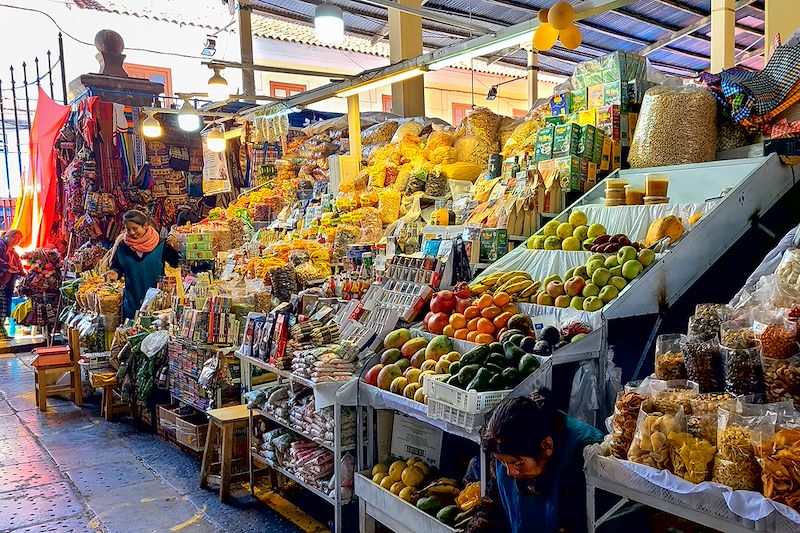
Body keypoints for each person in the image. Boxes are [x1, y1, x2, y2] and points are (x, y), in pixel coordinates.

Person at [465, 391, 602, 533]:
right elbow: (492, 510)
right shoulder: (503, 447)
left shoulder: (583, 457)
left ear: (547, 446)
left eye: (517, 463)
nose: (509, 472)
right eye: (503, 462)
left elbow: (574, 525)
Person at [109, 210, 180, 319]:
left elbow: (175, 264)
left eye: (135, 228)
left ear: (145, 226)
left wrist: (175, 249)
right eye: (128, 229)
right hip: (132, 299)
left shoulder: (161, 244)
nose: (132, 233)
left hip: (156, 302)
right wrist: (114, 273)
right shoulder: (123, 246)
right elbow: (117, 267)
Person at [0, 230, 24, 338]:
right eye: (14, 237)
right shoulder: (1, 245)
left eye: (18, 239)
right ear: (7, 236)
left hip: (5, 284)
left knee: (3, 308)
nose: (16, 240)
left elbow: (19, 267)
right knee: (2, 306)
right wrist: (9, 268)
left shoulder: (13, 252)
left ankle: (2, 333)